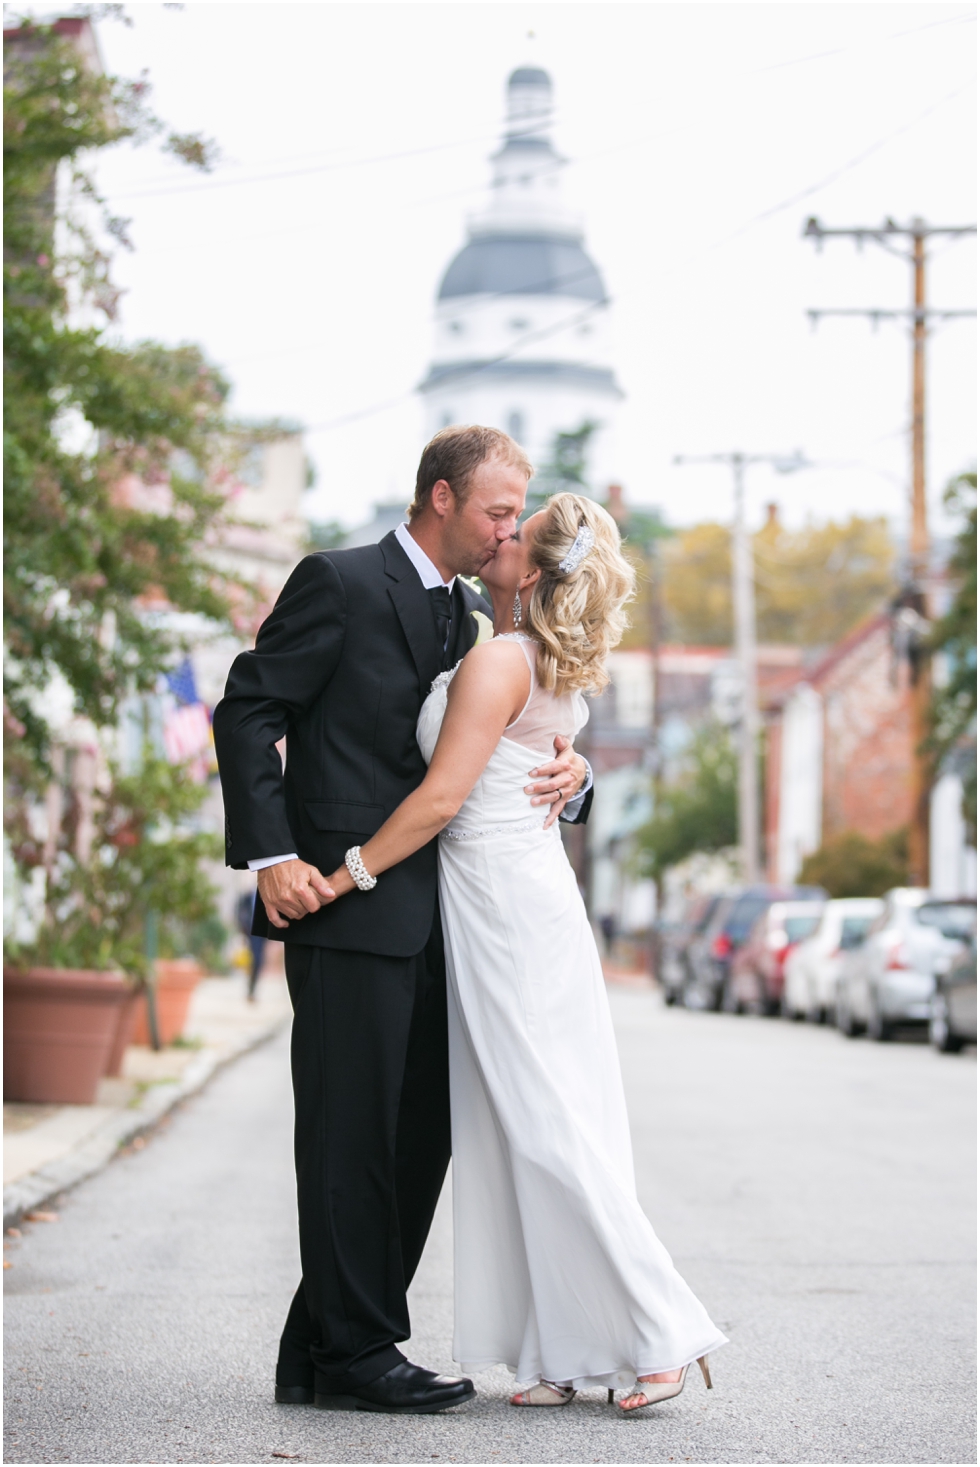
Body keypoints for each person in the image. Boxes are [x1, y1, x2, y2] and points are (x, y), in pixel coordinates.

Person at [316, 492, 728, 1412]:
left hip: (506, 902)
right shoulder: (537, 656)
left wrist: (340, 877)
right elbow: (545, 751)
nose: (499, 535)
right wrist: (574, 767)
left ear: (531, 572)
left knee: (546, 1120)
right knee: (512, 1126)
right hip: (517, 896)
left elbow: (438, 802)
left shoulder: (505, 657)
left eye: (515, 530)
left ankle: (660, 1334)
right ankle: (565, 1351)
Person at [212, 427, 592, 1415]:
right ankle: (357, 1353)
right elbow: (248, 709)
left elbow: (493, 746)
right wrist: (270, 856)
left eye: (517, 514)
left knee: (419, 1133)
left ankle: (319, 1346)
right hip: (338, 907)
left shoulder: (467, 613)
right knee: (349, 1133)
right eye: (498, 512)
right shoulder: (337, 581)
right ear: (439, 498)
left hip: (440, 917)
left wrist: (576, 773)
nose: (511, 529)